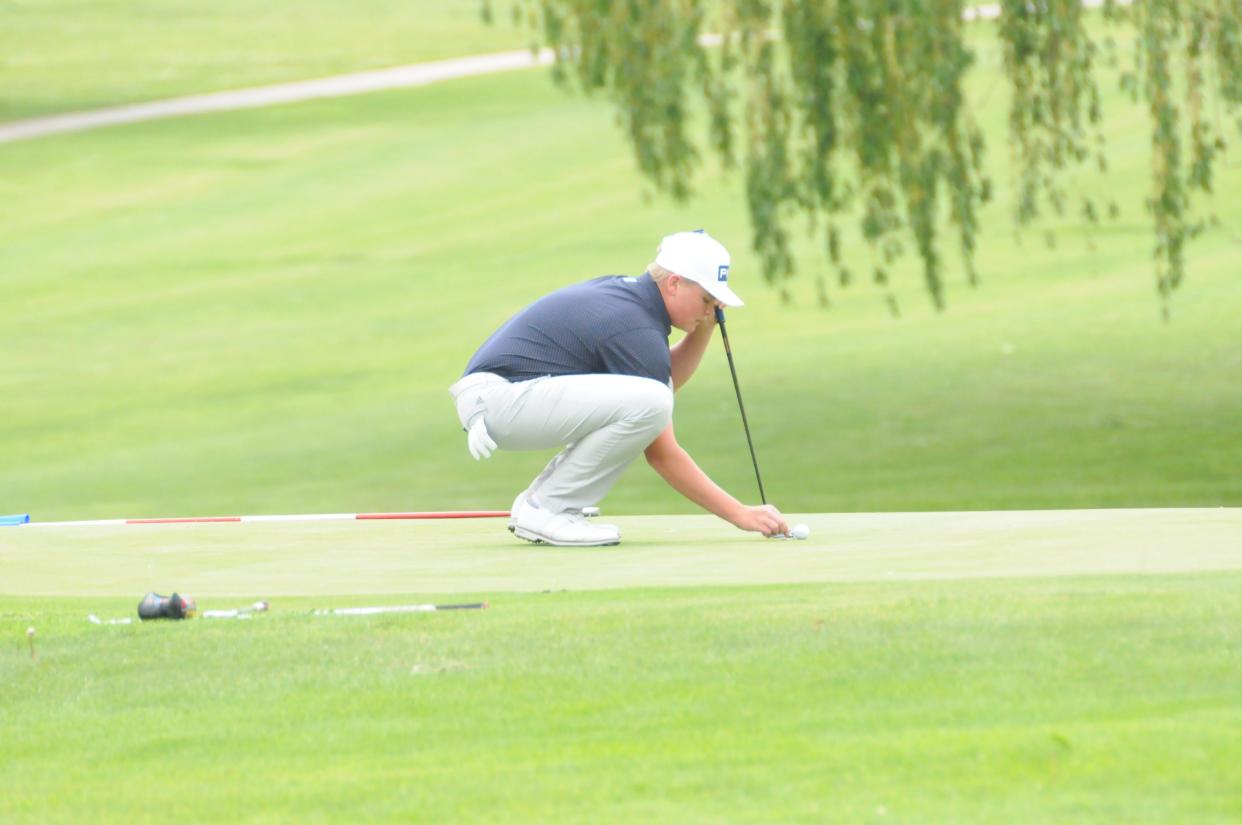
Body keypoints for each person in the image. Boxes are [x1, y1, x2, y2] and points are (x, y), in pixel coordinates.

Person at [448, 230, 788, 546]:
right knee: (653, 402)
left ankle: (544, 505)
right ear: (673, 284)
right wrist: (740, 514)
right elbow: (661, 450)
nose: (711, 310)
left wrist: (704, 328)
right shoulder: (634, 328)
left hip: (500, 397)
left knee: (653, 401)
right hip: (499, 400)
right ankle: (548, 508)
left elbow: (661, 384)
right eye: (706, 300)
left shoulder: (631, 303)